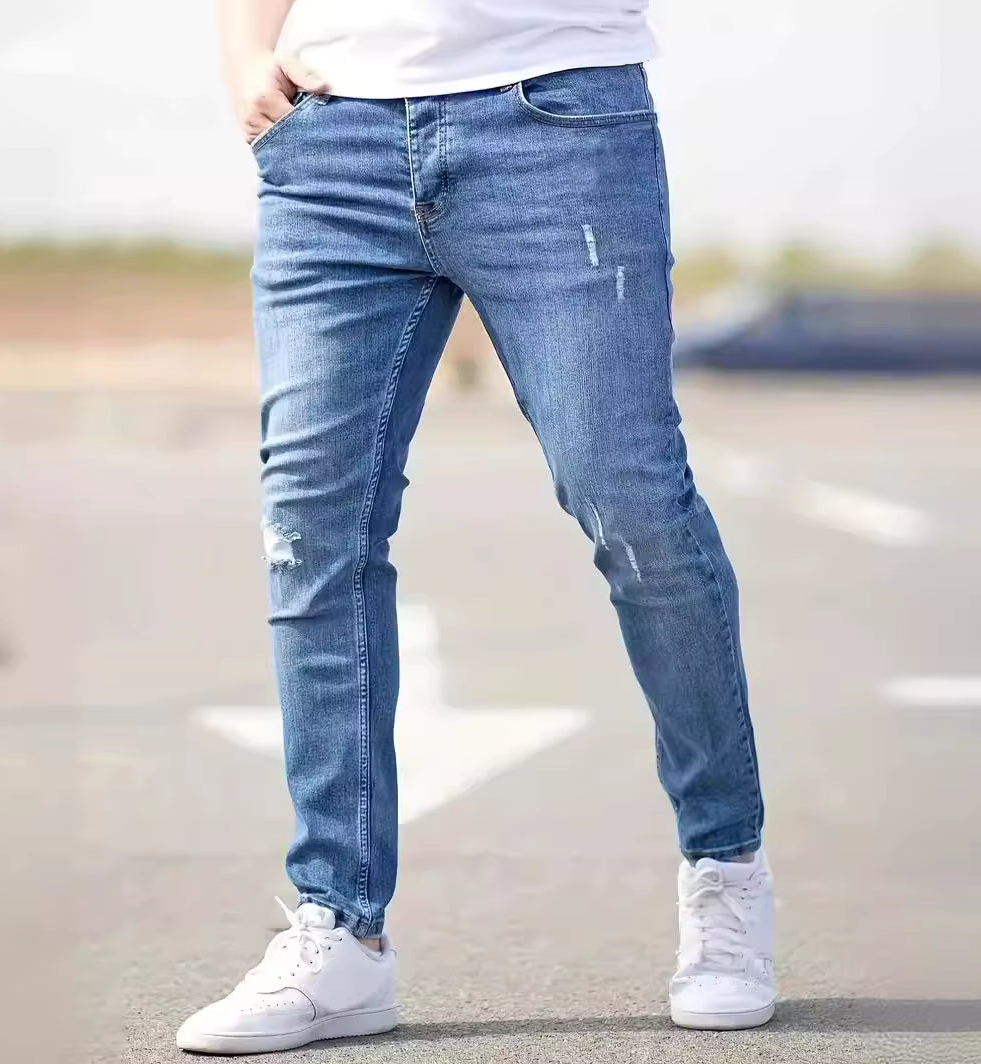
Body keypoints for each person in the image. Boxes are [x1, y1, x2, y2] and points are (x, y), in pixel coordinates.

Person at [177, 0, 774, 1053]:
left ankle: (724, 865)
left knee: (629, 499)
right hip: (331, 136)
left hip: (557, 122)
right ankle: (340, 927)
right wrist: (244, 57)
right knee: (312, 526)